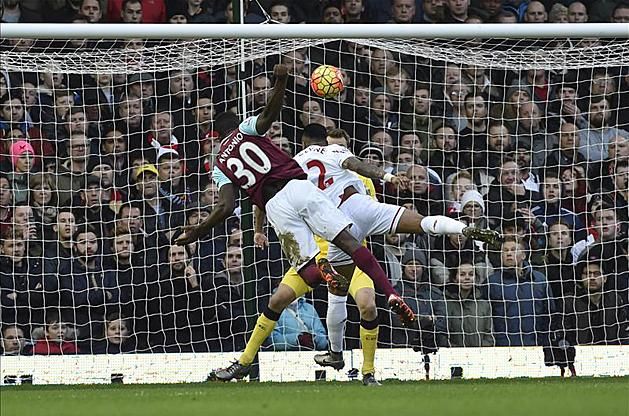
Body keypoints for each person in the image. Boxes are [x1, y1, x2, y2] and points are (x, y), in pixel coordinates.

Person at [175, 64, 419, 381]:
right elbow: (268, 116)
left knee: (307, 273)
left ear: (216, 136)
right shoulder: (249, 129)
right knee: (350, 244)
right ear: (237, 125)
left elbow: (225, 207)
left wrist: (196, 231)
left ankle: (319, 280)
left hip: (276, 205)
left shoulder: (220, 164)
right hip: (299, 187)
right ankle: (390, 292)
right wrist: (281, 81)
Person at [256, 127, 500, 384]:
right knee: (422, 222)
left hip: (339, 228)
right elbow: (359, 165)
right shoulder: (337, 153)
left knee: (336, 295)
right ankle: (463, 228)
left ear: (302, 142)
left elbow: (266, 196)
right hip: (362, 208)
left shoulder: (293, 166)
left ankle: (336, 353)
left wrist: (260, 229)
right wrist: (389, 177)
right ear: (326, 142)